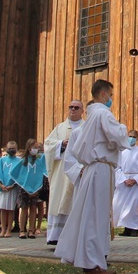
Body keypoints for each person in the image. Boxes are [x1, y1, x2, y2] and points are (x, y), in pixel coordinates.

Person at [55, 79, 131, 274]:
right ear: (104, 94)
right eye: (111, 95)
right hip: (100, 169)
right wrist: (123, 129)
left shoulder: (92, 115)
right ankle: (91, 263)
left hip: (94, 169)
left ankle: (90, 260)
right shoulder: (103, 113)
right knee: (95, 217)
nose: (112, 99)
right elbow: (117, 135)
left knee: (91, 215)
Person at [44, 100, 85, 245]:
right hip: (61, 172)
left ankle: (73, 236)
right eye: (71, 107)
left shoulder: (86, 127)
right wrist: (61, 144)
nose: (73, 109)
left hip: (78, 171)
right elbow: (48, 145)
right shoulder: (60, 128)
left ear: (82, 111)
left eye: (76, 107)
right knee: (59, 200)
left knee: (75, 202)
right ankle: (55, 236)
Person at [112, 129, 138, 237]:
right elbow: (117, 167)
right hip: (124, 180)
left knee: (133, 206)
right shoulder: (122, 151)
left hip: (134, 182)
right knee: (120, 204)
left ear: (137, 139)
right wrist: (123, 179)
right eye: (130, 136)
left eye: (133, 137)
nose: (131, 138)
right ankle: (125, 228)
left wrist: (135, 179)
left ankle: (134, 228)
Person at [10, 138, 47, 239]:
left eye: (37, 147)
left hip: (36, 188)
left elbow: (43, 170)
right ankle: (22, 230)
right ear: (29, 148)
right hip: (24, 188)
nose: (36, 149)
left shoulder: (39, 160)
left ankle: (31, 230)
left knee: (33, 209)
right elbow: (15, 172)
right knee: (24, 209)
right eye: (34, 147)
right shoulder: (23, 160)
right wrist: (23, 185)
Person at [0, 140, 21, 237]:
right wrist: (0, 185)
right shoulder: (2, 160)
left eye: (13, 149)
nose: (11, 150)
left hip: (12, 187)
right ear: (6, 149)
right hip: (2, 187)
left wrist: (13, 185)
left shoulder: (19, 161)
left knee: (11, 209)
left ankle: (9, 230)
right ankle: (2, 229)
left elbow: (20, 175)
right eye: (10, 148)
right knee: (3, 209)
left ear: (16, 149)